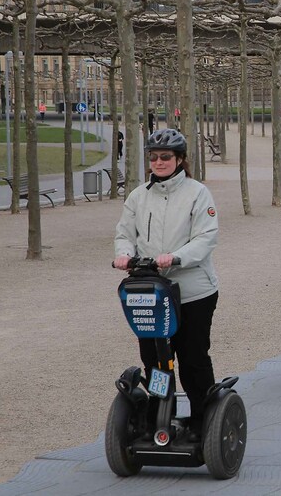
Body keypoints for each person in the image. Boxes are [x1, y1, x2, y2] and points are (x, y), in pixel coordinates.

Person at [114, 128, 219, 441]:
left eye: (166, 157)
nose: (159, 162)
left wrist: (175, 257)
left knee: (192, 359)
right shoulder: (139, 195)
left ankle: (204, 422)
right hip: (151, 292)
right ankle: (161, 416)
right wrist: (124, 255)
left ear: (180, 159)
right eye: (154, 157)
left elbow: (206, 237)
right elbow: (124, 233)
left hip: (193, 291)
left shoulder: (197, 193)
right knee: (155, 360)